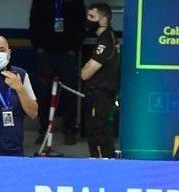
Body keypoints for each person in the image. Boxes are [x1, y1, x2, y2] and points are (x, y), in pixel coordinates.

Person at [29, 0, 85, 144]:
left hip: (67, 54)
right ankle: (44, 131)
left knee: (69, 94)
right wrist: (38, 48)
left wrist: (74, 49)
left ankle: (69, 131)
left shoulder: (76, 2)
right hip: (45, 54)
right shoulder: (39, 2)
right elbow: (34, 24)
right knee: (44, 94)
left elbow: (80, 26)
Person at [81, 3, 119, 158]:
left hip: (100, 96)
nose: (88, 20)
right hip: (99, 95)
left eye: (92, 17)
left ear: (103, 19)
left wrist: (84, 69)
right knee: (97, 132)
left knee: (98, 133)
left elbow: (86, 73)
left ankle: (101, 165)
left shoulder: (106, 41)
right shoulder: (105, 38)